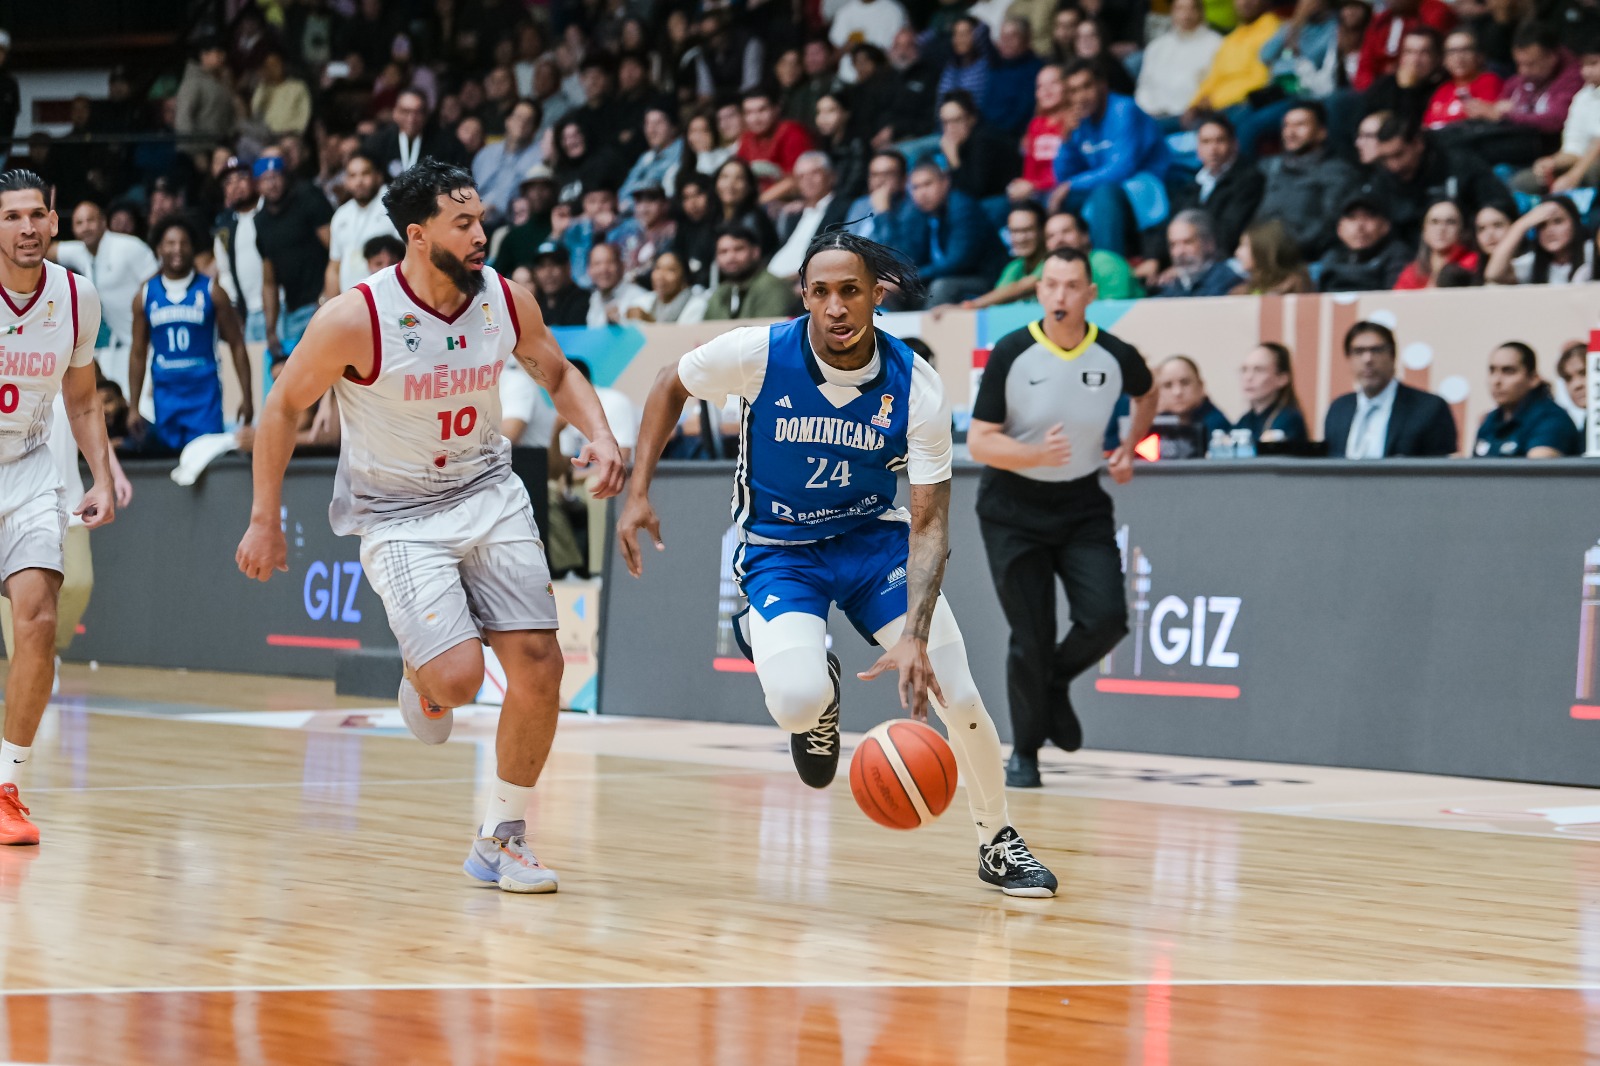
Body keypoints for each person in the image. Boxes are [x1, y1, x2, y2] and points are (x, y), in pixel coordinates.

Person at [616, 230, 1060, 897]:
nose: (835, 307)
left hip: (872, 543)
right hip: (780, 551)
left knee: (960, 694)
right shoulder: (759, 352)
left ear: (877, 295)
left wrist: (914, 634)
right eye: (820, 291)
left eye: (850, 290)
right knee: (797, 702)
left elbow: (930, 521)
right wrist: (638, 493)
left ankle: (997, 840)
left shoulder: (916, 384)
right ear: (804, 296)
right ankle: (818, 696)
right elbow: (666, 383)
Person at [236, 160, 625, 893]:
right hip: (398, 512)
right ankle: (425, 676)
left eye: (481, 221)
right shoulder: (356, 317)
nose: (481, 235)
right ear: (418, 236)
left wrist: (601, 435)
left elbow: (558, 372)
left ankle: (501, 839)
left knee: (540, 665)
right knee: (459, 678)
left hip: (489, 489)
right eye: (463, 223)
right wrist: (265, 518)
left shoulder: (504, 298)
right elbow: (283, 407)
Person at [966, 247, 1155, 787]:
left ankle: (1052, 683)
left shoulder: (1115, 354)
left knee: (1107, 618)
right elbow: (980, 441)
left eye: (1072, 286)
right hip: (1012, 508)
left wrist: (1129, 446)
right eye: (1051, 284)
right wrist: (1034, 455)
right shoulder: (1012, 351)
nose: (1060, 295)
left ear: (1091, 295)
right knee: (1031, 633)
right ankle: (1025, 753)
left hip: (1080, 505)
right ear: (1039, 291)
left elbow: (1147, 393)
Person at [0, 169, 116, 847]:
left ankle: (6, 787)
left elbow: (81, 398)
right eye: (11, 216)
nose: (27, 228)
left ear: (54, 218)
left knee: (39, 620)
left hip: (29, 470)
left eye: (36, 215)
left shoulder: (76, 296)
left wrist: (100, 475)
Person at [126, 216, 253, 454]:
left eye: (184, 243)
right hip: (166, 394)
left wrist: (247, 397)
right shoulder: (145, 295)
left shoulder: (213, 291)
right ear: (159, 249)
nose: (177, 249)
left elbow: (237, 344)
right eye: (170, 243)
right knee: (169, 462)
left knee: (206, 458)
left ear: (193, 248)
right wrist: (134, 406)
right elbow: (138, 353)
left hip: (204, 394)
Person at [1049, 59, 1171, 257]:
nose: (1080, 97)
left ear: (1102, 85)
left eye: (1086, 87)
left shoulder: (1124, 110)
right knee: (1057, 201)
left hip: (1147, 183)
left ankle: (1108, 265)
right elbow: (1062, 176)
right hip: (1108, 186)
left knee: (1103, 194)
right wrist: (1067, 139)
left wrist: (1072, 184)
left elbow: (1123, 168)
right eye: (1073, 91)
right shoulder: (1080, 119)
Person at [52, 201, 157, 405]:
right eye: (79, 223)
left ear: (103, 222)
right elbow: (46, 251)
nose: (85, 227)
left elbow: (157, 286)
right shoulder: (81, 251)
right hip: (122, 344)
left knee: (146, 406)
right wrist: (46, 222)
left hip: (150, 343)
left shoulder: (129, 246)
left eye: (90, 220)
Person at [1324, 320, 1458, 457]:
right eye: (1358, 351)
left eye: (1376, 350)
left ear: (1392, 356)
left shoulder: (1429, 408)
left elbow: (1439, 467)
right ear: (1348, 359)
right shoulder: (1338, 409)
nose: (1367, 359)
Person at [254, 156, 333, 365]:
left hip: (321, 303)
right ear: (257, 185)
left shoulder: (308, 198)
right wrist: (271, 329)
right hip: (292, 312)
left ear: (286, 178)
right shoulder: (260, 221)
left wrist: (327, 297)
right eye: (265, 179)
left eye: (276, 177)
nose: (272, 184)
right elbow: (269, 281)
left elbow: (335, 251)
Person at [897, 162, 1009, 306]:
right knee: (892, 291)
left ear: (945, 182)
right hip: (946, 277)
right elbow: (909, 255)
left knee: (941, 287)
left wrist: (909, 277)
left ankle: (930, 322)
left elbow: (957, 262)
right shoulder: (919, 214)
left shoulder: (962, 208)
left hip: (985, 279)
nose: (922, 193)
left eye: (927, 184)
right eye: (916, 187)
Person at [1169, 113, 1264, 255]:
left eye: (1220, 141)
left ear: (1234, 144)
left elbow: (1230, 232)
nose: (1212, 148)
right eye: (1206, 142)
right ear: (1198, 148)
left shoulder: (1249, 180)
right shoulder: (1192, 183)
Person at [1518, 35, 1600, 195]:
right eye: (1583, 65)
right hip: (1581, 163)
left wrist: (1573, 176)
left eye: (1593, 63)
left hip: (1591, 166)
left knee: (1592, 173)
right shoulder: (1582, 97)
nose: (1586, 71)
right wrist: (1552, 162)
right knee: (1524, 181)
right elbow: (1574, 148)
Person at [1473, 341, 1583, 457]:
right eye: (1492, 371)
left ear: (1533, 378)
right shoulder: (1490, 420)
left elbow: (1537, 466)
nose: (1496, 381)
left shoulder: (1552, 419)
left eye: (1508, 371)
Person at [1134, 0, 1222, 122]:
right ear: (1172, 12)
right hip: (1154, 116)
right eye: (1180, 9)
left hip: (1193, 117)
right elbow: (1144, 86)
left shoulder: (1216, 44)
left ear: (1200, 12)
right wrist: (1147, 111)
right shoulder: (1156, 47)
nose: (1186, 15)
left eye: (1192, 9)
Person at [768, 153, 851, 281]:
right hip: (773, 279)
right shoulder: (793, 214)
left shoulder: (843, 209)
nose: (807, 180)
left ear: (831, 176)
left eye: (815, 173)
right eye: (801, 176)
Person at [325, 153, 399, 297]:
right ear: (346, 181)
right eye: (352, 175)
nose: (359, 181)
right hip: (351, 300)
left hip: (389, 296)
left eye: (365, 173)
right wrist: (328, 304)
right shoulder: (341, 215)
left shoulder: (395, 206)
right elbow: (334, 267)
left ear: (378, 176)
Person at [1484, 196, 1595, 285]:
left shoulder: (1592, 251)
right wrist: (1522, 224)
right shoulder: (1531, 264)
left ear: (1575, 224)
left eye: (1558, 221)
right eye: (1542, 225)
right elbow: (1493, 274)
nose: (1550, 231)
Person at [702, 224, 801, 320]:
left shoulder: (771, 286)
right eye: (723, 252)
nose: (730, 257)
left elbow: (768, 329)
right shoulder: (721, 292)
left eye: (738, 249)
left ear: (755, 252)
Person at [1315, 195, 1412, 292]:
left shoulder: (1397, 254)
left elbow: (1396, 297)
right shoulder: (1331, 256)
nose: (1359, 226)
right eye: (1352, 218)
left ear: (1385, 226)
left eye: (1368, 217)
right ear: (1339, 229)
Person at [1152, 210, 1245, 297]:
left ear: (1209, 243)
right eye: (1173, 245)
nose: (1179, 252)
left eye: (1187, 242)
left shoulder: (1229, 282)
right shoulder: (1171, 286)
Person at [1425, 31, 1504, 130]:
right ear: (1444, 60)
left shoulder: (1489, 81)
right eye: (1452, 52)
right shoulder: (1443, 89)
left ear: (1478, 55)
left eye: (1465, 50)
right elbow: (1427, 125)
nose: (1458, 58)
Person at [1233, 342, 1309, 446]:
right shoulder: (1245, 420)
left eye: (1259, 370)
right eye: (1244, 369)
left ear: (1282, 379)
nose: (1248, 377)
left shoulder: (1289, 420)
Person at [1394, 198, 1479, 289]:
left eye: (1450, 222)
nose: (1441, 228)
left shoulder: (1475, 263)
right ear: (1424, 231)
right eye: (1434, 222)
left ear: (1462, 230)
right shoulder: (1411, 272)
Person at [624, 250, 708, 324]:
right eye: (657, 268)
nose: (660, 276)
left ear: (684, 277)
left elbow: (683, 336)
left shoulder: (696, 306)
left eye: (670, 270)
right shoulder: (645, 301)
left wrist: (650, 322)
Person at [1233, 219, 1313, 294]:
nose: (1237, 253)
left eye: (1244, 245)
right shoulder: (1243, 291)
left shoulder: (1292, 288)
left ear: (1263, 250)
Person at [584, 242, 647, 327]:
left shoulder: (640, 298)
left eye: (610, 262)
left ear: (621, 266)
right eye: (597, 264)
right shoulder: (595, 298)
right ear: (589, 270)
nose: (603, 269)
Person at [529, 240, 591, 327]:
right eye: (542, 266)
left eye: (554, 265)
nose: (548, 273)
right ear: (535, 273)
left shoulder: (584, 300)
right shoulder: (534, 304)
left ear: (567, 268)